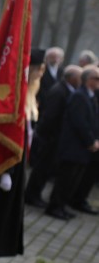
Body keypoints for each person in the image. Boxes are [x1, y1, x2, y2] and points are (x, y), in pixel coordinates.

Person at [44, 65, 99, 219]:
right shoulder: (79, 96)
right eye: (97, 78)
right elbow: (79, 122)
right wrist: (90, 140)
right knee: (65, 179)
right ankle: (54, 206)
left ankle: (62, 206)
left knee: (72, 180)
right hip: (73, 146)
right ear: (88, 80)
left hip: (82, 148)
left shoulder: (89, 96)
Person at [26, 65, 83, 207]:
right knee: (41, 169)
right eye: (79, 77)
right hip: (50, 137)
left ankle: (36, 194)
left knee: (46, 169)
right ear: (71, 78)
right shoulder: (60, 91)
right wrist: (48, 136)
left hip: (55, 138)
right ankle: (31, 195)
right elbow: (50, 116)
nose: (81, 80)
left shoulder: (67, 90)